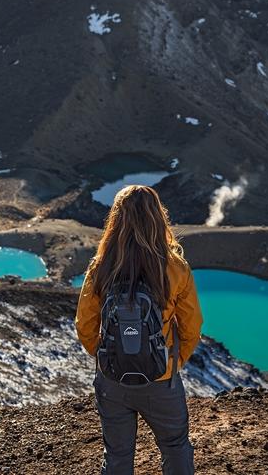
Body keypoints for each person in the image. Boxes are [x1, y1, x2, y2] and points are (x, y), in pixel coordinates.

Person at [75, 184, 203, 475]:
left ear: (116, 220)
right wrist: (173, 362)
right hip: (161, 380)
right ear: (158, 218)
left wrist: (107, 356)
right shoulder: (175, 267)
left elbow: (84, 325)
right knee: (175, 447)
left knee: (118, 456)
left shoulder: (101, 267)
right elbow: (192, 326)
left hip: (112, 380)